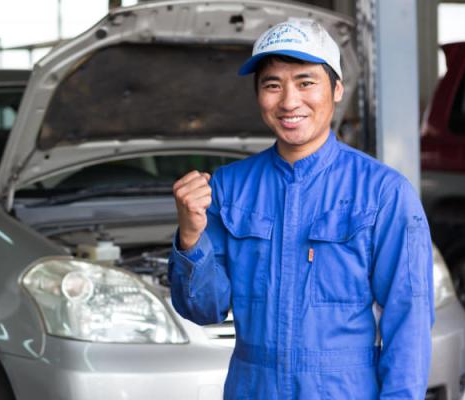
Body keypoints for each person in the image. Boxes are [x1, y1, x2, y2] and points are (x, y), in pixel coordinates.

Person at [168, 18, 434, 400]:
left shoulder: (383, 192)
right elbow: (205, 310)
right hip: (252, 388)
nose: (289, 101)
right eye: (272, 85)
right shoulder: (228, 187)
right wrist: (191, 236)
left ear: (337, 89)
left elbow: (409, 317)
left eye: (306, 82)